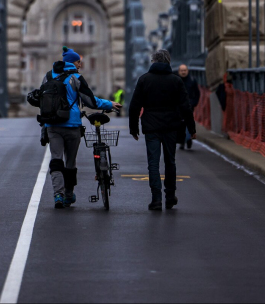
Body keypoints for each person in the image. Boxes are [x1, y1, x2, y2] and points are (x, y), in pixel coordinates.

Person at [43, 46, 122, 209]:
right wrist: (109, 104)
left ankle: (58, 194)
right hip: (72, 125)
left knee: (56, 160)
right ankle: (68, 195)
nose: (81, 64)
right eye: (79, 61)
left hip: (52, 124)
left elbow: (42, 101)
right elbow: (90, 101)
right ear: (73, 62)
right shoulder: (76, 78)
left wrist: (44, 125)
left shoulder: (48, 76)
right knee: (70, 161)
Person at [128, 49, 196, 211]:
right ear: (168, 62)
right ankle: (170, 196)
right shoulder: (176, 81)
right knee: (170, 161)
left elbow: (135, 106)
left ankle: (156, 198)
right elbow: (186, 107)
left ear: (153, 61)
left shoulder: (144, 80)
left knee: (153, 163)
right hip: (171, 126)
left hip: (151, 126)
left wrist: (133, 128)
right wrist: (191, 129)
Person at [177, 64, 201, 150]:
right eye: (181, 70)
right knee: (180, 124)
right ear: (179, 71)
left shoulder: (192, 80)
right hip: (179, 106)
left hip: (189, 106)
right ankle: (182, 141)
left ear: (188, 71)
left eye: (185, 70)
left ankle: (188, 139)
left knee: (188, 122)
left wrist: (194, 103)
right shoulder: (176, 81)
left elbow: (197, 93)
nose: (183, 72)